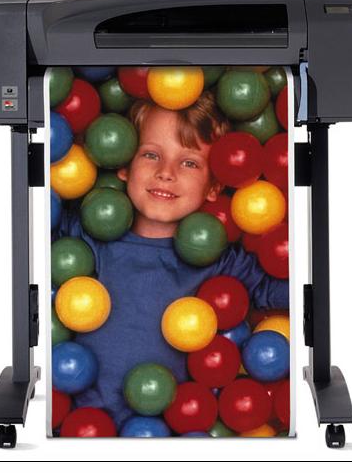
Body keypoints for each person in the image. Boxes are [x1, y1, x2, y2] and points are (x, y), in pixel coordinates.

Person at [56, 91, 289, 428]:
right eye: (151, 154)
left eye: (189, 162)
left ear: (214, 185)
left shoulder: (219, 261)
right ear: (124, 164)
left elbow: (279, 289)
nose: (166, 172)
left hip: (177, 435)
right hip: (81, 430)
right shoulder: (85, 236)